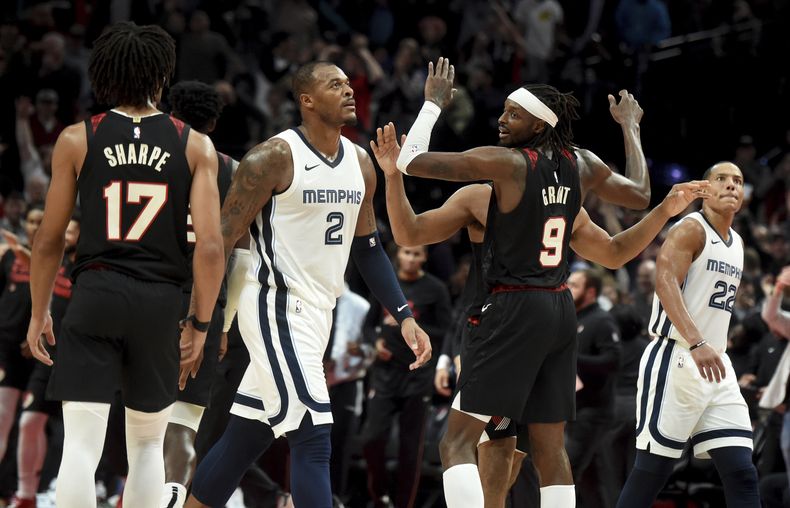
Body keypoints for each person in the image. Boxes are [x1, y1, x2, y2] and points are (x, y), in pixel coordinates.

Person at [371, 56, 708, 508]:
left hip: (507, 313)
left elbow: (412, 177)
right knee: (537, 447)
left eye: (513, 113)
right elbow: (628, 221)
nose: (501, 119)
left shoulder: (503, 167)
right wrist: (631, 129)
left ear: (539, 124)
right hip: (557, 309)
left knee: (457, 442)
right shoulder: (578, 172)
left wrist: (432, 104)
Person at [185, 60, 431, 508]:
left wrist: (404, 314)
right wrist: (209, 318)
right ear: (307, 100)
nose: (349, 90)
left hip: (319, 313)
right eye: (334, 84)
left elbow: (370, 247)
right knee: (314, 437)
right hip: (276, 305)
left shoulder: (360, 161)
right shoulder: (272, 158)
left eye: (349, 83)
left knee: (245, 438)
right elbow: (221, 240)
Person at [25, 22, 224, 508]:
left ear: (105, 76)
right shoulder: (195, 145)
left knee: (80, 445)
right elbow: (212, 248)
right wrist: (200, 323)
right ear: (161, 77)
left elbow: (49, 240)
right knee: (148, 445)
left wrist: (39, 311)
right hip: (160, 302)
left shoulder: (78, 138)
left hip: (96, 292)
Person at [616, 162, 760, 507]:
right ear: (704, 189)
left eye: (738, 181)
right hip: (677, 356)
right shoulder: (690, 228)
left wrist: (709, 345)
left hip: (716, 365)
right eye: (721, 179)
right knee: (652, 471)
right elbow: (664, 284)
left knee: (742, 471)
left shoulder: (737, 243)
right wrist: (697, 341)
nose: (730, 186)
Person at [153, 79, 238, 508]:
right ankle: (172, 497)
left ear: (170, 113)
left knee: (143, 419)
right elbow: (240, 258)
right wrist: (225, 319)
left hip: (151, 293)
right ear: (215, 121)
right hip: (208, 303)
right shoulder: (235, 171)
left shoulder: (152, 161)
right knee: (184, 422)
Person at [362, 244, 452, 508]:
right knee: (371, 438)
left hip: (417, 375)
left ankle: (404, 504)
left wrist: (411, 326)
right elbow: (368, 325)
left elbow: (446, 330)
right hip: (385, 374)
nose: (411, 258)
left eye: (417, 253)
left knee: (410, 448)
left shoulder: (435, 289)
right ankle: (380, 497)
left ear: (424, 257)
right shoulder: (385, 284)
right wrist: (376, 342)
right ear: (397, 256)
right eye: (407, 253)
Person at [9, 212, 79, 508]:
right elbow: (35, 265)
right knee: (28, 422)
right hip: (47, 358)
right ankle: (26, 495)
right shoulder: (57, 262)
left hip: (77, 361)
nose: (65, 237)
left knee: (74, 435)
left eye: (71, 233)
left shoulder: (86, 268)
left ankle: (63, 491)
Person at [565, 269, 621, 508]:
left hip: (592, 411)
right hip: (572, 408)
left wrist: (570, 358)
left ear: (590, 292)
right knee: (592, 480)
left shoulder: (601, 320)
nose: (568, 288)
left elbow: (612, 361)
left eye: (574, 285)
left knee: (566, 472)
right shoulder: (571, 317)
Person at [0, 206, 44, 468]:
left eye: (40, 221)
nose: (35, 226)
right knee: (3, 417)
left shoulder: (57, 259)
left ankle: (26, 492)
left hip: (38, 351)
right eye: (30, 221)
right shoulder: (8, 258)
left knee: (32, 423)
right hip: (5, 345)